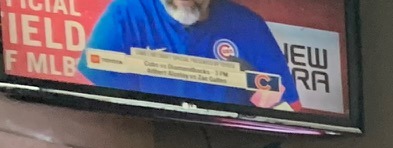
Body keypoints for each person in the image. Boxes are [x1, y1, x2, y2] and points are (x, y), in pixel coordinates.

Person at [81, 0, 298, 110]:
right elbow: (90, 96)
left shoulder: (248, 25)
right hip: (142, 147)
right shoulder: (126, 11)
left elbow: (289, 108)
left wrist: (256, 89)